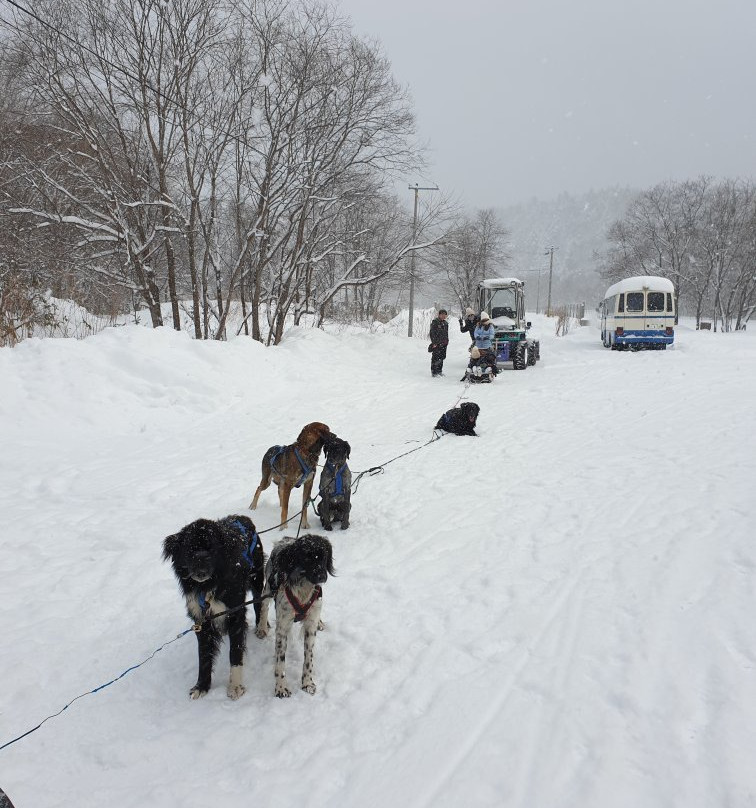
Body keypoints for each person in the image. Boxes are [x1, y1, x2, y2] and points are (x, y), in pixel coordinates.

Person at [428, 309, 449, 377]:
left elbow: (446, 333)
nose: (443, 316)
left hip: (444, 343)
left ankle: (439, 371)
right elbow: (432, 333)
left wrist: (447, 341)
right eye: (442, 314)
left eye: (445, 314)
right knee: (435, 358)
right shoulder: (435, 322)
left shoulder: (446, 323)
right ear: (439, 315)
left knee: (442, 357)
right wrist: (434, 342)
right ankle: (434, 372)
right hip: (437, 343)